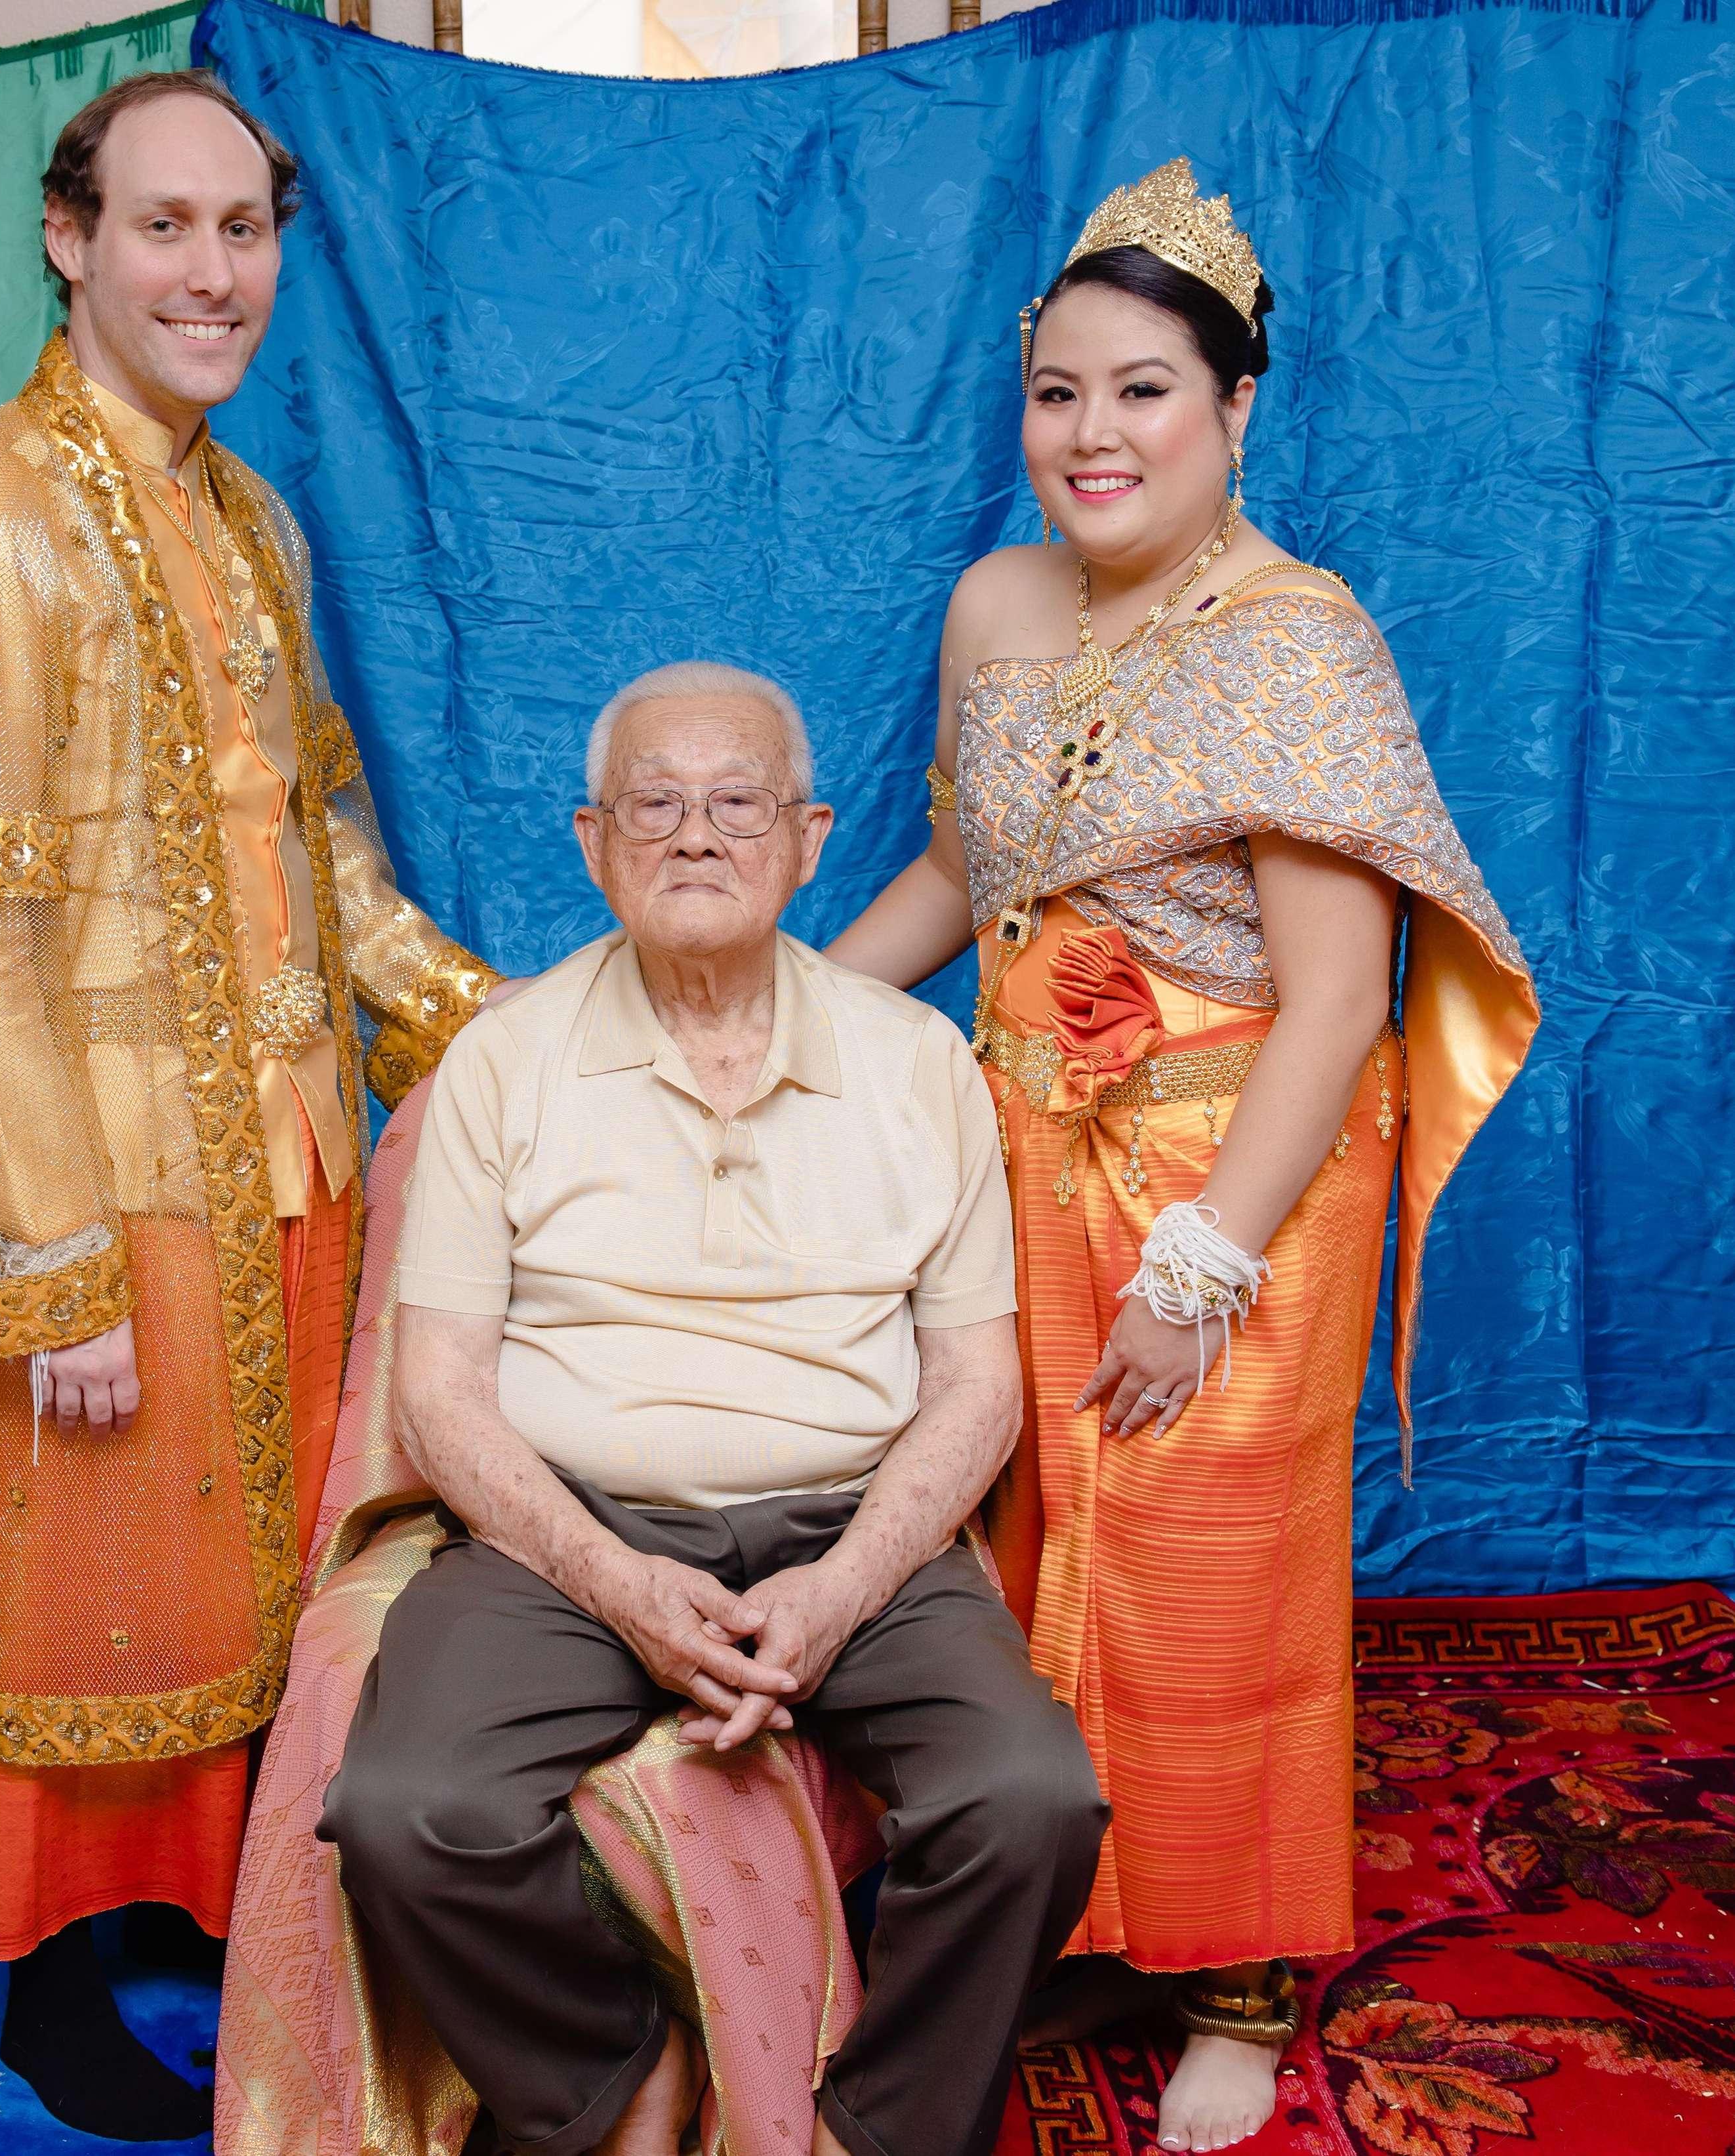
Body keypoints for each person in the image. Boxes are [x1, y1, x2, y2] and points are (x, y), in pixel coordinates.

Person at [827, 159, 1538, 2155]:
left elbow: (1336, 1000)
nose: (1091, 435)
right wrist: (779, 1017)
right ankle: (1066, 1896)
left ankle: (1232, 1964)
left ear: (1233, 412)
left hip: (1236, 1179)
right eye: (1056, 392)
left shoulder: (1297, 640)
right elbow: (976, 869)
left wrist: (1200, 1262)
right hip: (1020, 1147)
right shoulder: (992, 602)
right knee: (1028, 1531)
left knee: (1201, 1562)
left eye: (1143, 391)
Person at [0, 71, 498, 2142]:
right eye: (164, 226)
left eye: (243, 231)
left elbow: (325, 842)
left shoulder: (249, 517)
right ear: (69, 236)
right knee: (88, 1588)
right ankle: (45, 1976)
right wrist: (48, 1263)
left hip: (282, 1147)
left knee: (259, 1581)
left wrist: (494, 1028)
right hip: (100, 1179)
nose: (212, 274)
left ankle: (228, 1904)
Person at [305, 661, 1106, 2156]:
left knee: (1031, 1796)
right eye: (651, 805)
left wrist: (850, 1577)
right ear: (589, 840)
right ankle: (610, 2082)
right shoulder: (503, 1061)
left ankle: (879, 2129)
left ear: (808, 837)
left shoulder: (915, 1060)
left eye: (735, 803)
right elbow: (439, 1388)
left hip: (858, 1526)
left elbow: (978, 1385)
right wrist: (612, 1579)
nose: (694, 835)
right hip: (567, 1524)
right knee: (408, 1809)